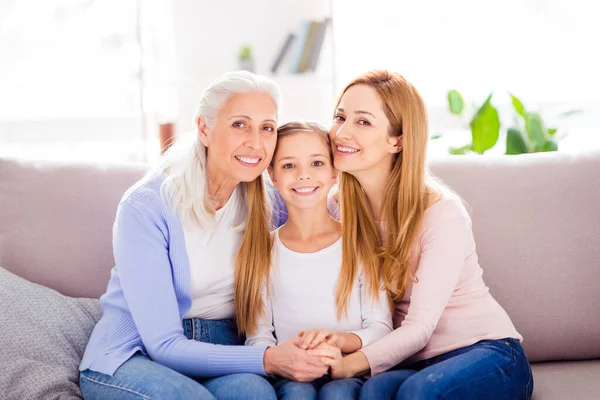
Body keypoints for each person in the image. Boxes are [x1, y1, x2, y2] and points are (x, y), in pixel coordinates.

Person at [79, 71, 328, 400]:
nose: (255, 142)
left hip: (225, 347)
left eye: (267, 127)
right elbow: (164, 344)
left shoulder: (271, 200)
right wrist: (269, 359)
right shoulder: (146, 206)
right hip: (134, 354)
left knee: (255, 394)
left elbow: (337, 220)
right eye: (239, 124)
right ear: (204, 128)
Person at [316, 70, 534, 399]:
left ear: (398, 140)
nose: (341, 132)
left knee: (417, 393)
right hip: (412, 361)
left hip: (487, 354)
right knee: (368, 392)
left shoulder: (442, 214)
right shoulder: (337, 208)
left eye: (363, 122)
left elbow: (419, 328)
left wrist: (349, 364)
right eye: (339, 117)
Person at [245, 121, 393, 400]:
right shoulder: (262, 250)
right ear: (272, 175)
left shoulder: (361, 243)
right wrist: (285, 359)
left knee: (338, 395)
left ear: (334, 170)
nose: (304, 175)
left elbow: (381, 327)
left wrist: (337, 342)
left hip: (348, 370)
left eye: (316, 163)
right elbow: (258, 335)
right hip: (290, 375)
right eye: (289, 166)